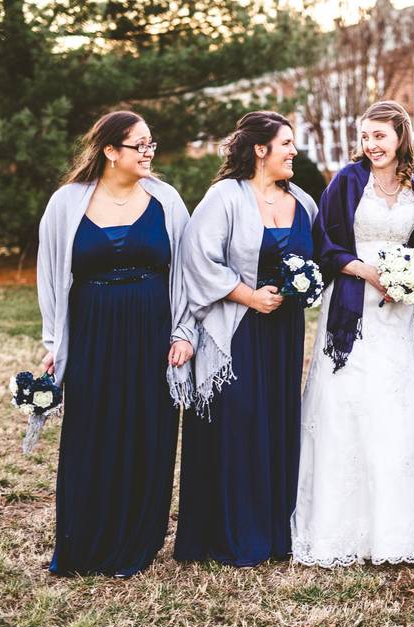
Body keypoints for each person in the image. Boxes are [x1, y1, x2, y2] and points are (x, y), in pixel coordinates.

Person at [292, 100, 414, 567]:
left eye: (380, 136)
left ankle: (400, 523)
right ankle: (340, 526)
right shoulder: (348, 182)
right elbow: (325, 243)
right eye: (366, 137)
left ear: (400, 137)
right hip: (352, 299)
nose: (372, 146)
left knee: (396, 398)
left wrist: (408, 280)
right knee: (348, 397)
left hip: (396, 309)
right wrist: (367, 272)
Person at [36, 110, 195, 577]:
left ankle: (137, 541)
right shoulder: (66, 203)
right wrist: (55, 342)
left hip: (152, 328)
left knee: (148, 430)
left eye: (151, 144)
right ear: (110, 150)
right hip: (92, 331)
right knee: (92, 431)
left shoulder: (166, 200)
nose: (149, 153)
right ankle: (84, 542)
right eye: (139, 145)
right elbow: (51, 278)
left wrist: (183, 331)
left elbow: (185, 272)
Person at [175, 111, 318, 566]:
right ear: (261, 149)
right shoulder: (224, 197)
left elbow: (316, 259)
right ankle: (233, 532)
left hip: (284, 330)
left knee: (277, 420)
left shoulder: (305, 202)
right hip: (235, 329)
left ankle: (277, 532)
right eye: (286, 143)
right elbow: (198, 260)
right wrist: (248, 296)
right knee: (239, 422)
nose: (294, 151)